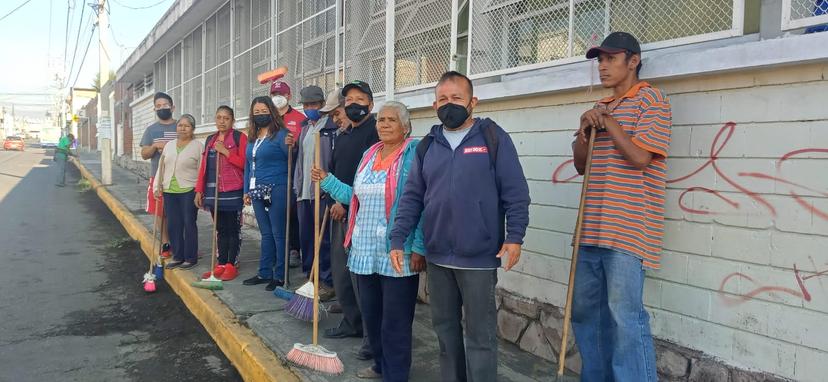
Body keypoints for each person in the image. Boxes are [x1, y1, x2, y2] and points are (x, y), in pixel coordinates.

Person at [389, 71, 530, 382]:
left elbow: (515, 192)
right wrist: (398, 238)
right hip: (438, 257)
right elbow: (412, 197)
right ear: (434, 104)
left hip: (478, 257)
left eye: (456, 98)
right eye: (442, 99)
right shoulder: (428, 146)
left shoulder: (493, 138)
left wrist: (515, 236)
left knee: (481, 338)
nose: (448, 104)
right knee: (445, 334)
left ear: (472, 102)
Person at [569, 32, 671, 382]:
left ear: (633, 61)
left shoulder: (652, 101)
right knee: (584, 314)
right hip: (590, 230)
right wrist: (585, 128)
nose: (603, 66)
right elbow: (580, 165)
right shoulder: (599, 108)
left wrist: (608, 123)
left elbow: (641, 158)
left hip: (627, 233)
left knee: (625, 318)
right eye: (600, 60)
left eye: (611, 59)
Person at [312, 101, 424, 381]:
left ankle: (396, 374)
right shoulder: (369, 154)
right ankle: (379, 365)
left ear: (405, 127)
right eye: (381, 120)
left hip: (397, 252)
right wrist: (327, 180)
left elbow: (421, 202)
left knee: (395, 320)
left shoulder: (413, 154)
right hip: (364, 250)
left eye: (391, 120)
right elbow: (355, 197)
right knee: (372, 316)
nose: (384, 124)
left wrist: (419, 245)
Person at [323, 81, 380, 349]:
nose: (353, 104)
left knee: (361, 277)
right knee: (341, 271)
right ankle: (351, 321)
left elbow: (370, 175)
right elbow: (336, 170)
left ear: (370, 103)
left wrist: (346, 204)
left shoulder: (375, 133)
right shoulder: (344, 134)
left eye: (360, 99)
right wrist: (333, 199)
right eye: (349, 100)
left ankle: (370, 333)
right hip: (338, 209)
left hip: (362, 214)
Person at [241, 96, 295, 291]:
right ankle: (265, 272)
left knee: (278, 233)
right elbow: (248, 164)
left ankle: (280, 275)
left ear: (272, 112)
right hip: (257, 190)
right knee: (266, 233)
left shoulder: (282, 135)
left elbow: (292, 159)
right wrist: (246, 189)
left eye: (264, 111)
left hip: (277, 188)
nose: (260, 115)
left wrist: (292, 146)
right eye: (256, 113)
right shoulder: (253, 137)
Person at [290, 85, 336, 300]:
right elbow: (300, 160)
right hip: (304, 192)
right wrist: (297, 186)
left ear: (322, 105)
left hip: (322, 191)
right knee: (306, 236)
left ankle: (326, 280)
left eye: (314, 105)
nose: (310, 108)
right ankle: (310, 276)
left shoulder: (330, 127)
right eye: (306, 105)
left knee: (323, 239)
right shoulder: (306, 128)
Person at [194, 106, 248, 281]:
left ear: (232, 121)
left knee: (233, 229)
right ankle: (222, 263)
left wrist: (226, 152)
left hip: (233, 190)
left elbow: (245, 164)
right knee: (220, 229)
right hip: (213, 191)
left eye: (226, 118)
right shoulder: (210, 139)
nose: (222, 121)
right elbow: (204, 167)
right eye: (219, 118)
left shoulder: (240, 138)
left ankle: (232, 263)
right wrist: (199, 190)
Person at [154, 114, 203, 269]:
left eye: (187, 126)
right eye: (180, 125)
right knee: (173, 224)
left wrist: (199, 192)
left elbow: (202, 171)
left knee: (189, 223)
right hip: (169, 190)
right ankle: (177, 255)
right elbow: (161, 167)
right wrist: (157, 186)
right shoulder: (169, 145)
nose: (182, 128)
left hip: (189, 190)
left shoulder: (198, 146)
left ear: (193, 129)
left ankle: (190, 257)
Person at [270, 80, 304, 268]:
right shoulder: (268, 119)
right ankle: (277, 248)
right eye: (274, 95)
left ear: (289, 96)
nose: (277, 98)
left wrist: (295, 145)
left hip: (293, 171)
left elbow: (305, 142)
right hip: (273, 173)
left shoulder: (299, 118)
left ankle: (293, 249)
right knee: (274, 213)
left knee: (291, 211)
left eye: (281, 94)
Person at [140, 92, 177, 258]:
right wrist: (155, 146)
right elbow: (144, 154)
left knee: (181, 213)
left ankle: (182, 244)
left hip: (179, 177)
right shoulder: (150, 130)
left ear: (173, 107)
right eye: (159, 106)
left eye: (165, 105)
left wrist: (169, 147)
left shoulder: (181, 126)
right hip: (158, 177)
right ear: (155, 109)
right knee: (161, 213)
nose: (162, 108)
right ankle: (166, 243)